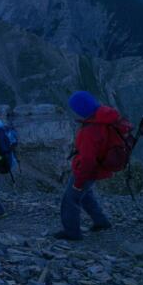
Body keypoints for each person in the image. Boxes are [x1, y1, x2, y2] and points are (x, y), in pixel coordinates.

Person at [54, 91, 114, 241]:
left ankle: (72, 233)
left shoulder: (90, 130)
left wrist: (79, 182)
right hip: (99, 167)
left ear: (81, 109)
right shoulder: (103, 119)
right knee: (86, 195)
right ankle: (101, 222)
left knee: (70, 199)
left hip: (87, 170)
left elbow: (87, 160)